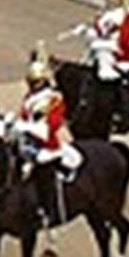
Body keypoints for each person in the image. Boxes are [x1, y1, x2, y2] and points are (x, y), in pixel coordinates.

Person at [15, 48, 79, 227]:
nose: (31, 85)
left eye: (35, 82)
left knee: (43, 171)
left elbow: (50, 127)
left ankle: (46, 209)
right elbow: (24, 116)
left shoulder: (54, 99)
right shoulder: (30, 97)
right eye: (30, 81)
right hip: (29, 140)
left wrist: (25, 126)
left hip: (48, 146)